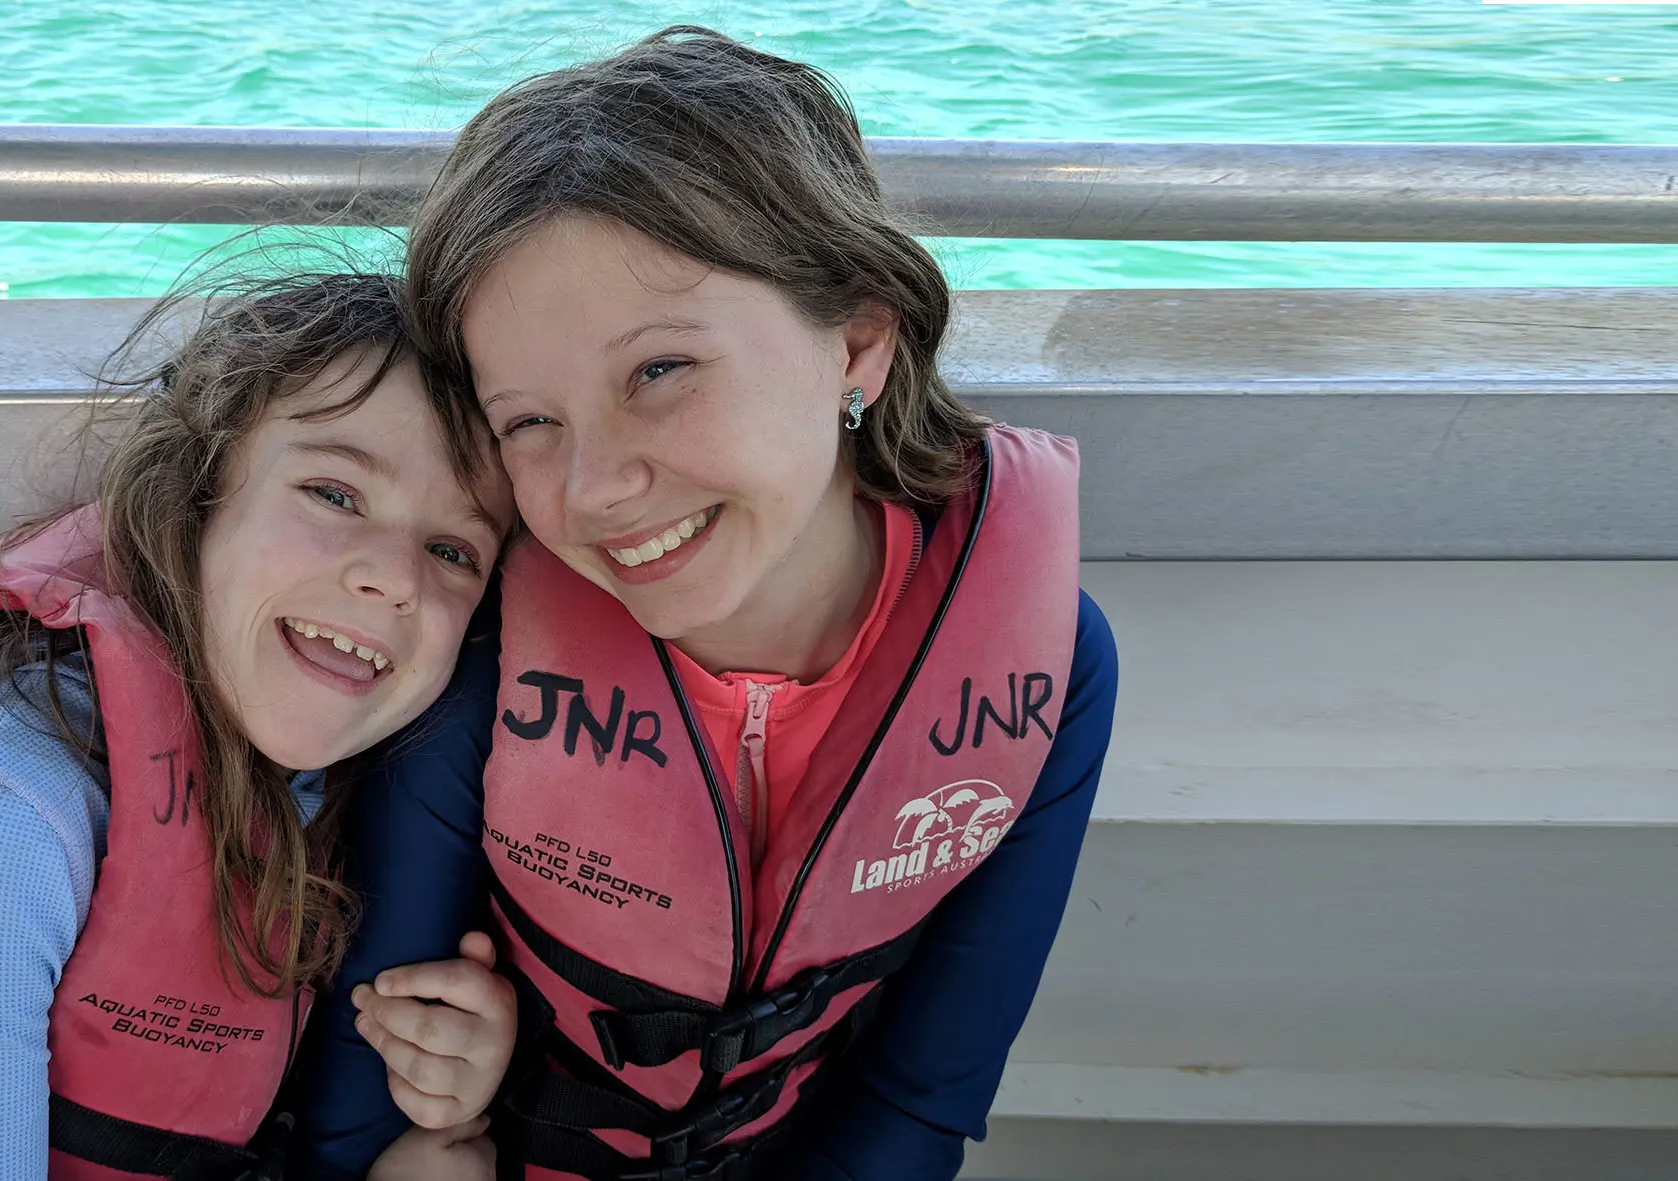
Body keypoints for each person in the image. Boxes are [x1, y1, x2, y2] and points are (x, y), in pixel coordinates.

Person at [298, 28, 1119, 1181]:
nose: (593, 489)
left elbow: (918, 1101)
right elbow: (359, 1089)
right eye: (529, 421)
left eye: (659, 371)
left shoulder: (1051, 670)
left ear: (858, 341)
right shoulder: (484, 651)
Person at [0, 271, 516, 1181]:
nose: (395, 578)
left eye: (453, 550)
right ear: (196, 495)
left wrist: (440, 1060)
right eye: (335, 494)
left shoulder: (328, 766)